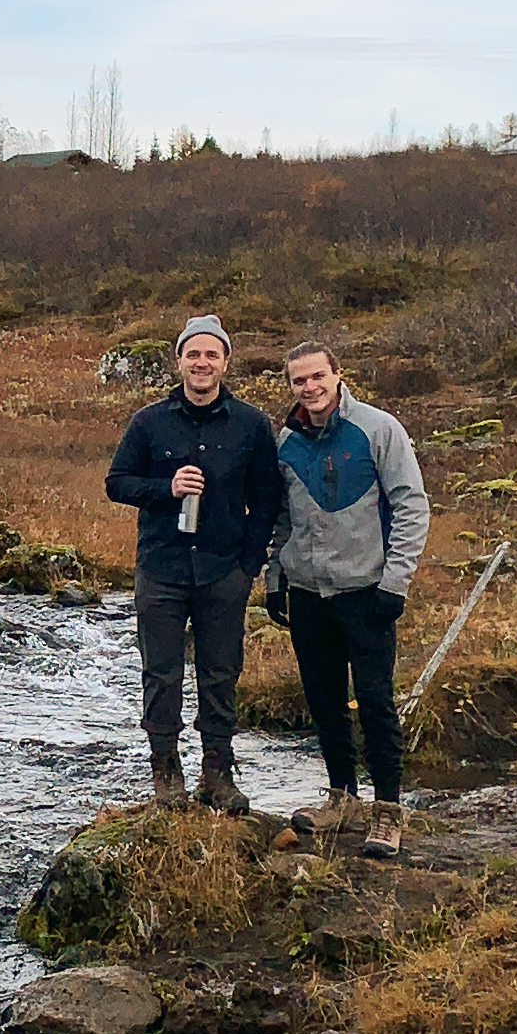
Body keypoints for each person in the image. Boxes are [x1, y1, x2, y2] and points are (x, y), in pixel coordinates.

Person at [105, 314, 281, 812]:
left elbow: (267, 500)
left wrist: (248, 564)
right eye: (193, 354)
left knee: (220, 673)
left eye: (212, 354)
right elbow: (117, 482)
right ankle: (166, 774)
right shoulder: (149, 422)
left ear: (225, 362)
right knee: (161, 675)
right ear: (179, 360)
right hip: (161, 568)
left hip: (224, 571)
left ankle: (217, 775)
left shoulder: (251, 425)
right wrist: (166, 489)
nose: (202, 363)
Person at [263, 340, 431, 859]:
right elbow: (281, 518)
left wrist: (395, 583)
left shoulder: (379, 430)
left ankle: (387, 810)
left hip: (368, 593)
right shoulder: (285, 441)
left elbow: (412, 507)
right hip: (309, 595)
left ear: (338, 374)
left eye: (317, 376)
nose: (309, 388)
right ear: (289, 385)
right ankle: (341, 796)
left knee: (377, 702)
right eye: (299, 381)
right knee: (324, 699)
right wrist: (275, 578)